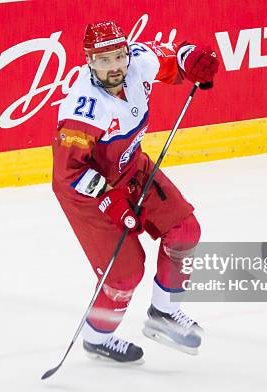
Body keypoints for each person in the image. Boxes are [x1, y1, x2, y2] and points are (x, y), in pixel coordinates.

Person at [51, 20, 218, 364]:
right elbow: (67, 176)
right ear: (88, 62)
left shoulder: (138, 61)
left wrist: (192, 59)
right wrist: (111, 201)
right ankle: (98, 337)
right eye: (103, 60)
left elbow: (175, 56)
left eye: (118, 56)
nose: (114, 67)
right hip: (87, 194)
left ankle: (164, 313)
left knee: (185, 231)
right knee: (125, 274)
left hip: (130, 168)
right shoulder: (83, 111)